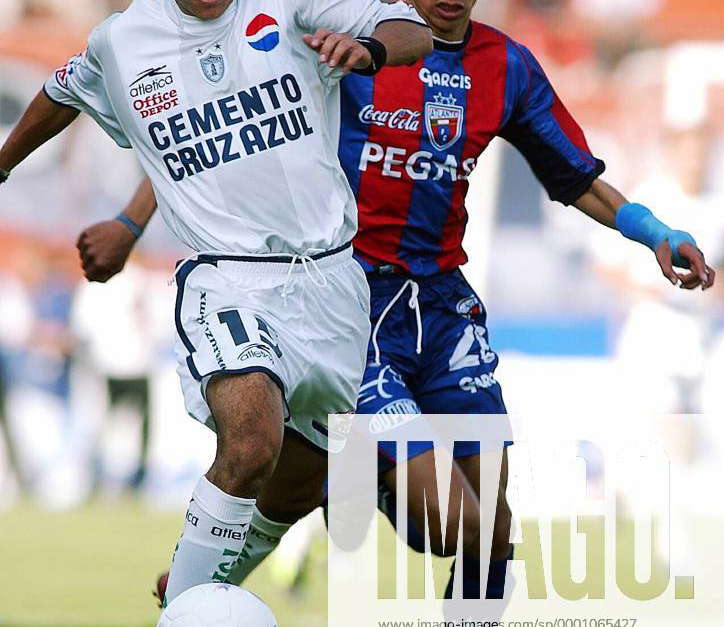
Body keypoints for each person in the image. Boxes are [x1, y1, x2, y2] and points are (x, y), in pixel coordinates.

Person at [76, 0, 715, 608]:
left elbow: (577, 178)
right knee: (446, 521)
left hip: (443, 310)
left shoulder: (506, 66)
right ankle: (350, 471)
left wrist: (656, 233)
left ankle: (337, 472)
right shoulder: (346, 40)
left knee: (491, 538)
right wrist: (130, 226)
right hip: (351, 307)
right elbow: (214, 139)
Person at [0, 0, 432, 606]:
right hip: (227, 278)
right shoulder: (122, 42)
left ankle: (203, 585)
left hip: (331, 280)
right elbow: (60, 93)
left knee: (303, 479)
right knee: (252, 443)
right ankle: (186, 610)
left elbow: (414, 32)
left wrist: (372, 50)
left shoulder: (292, 6)